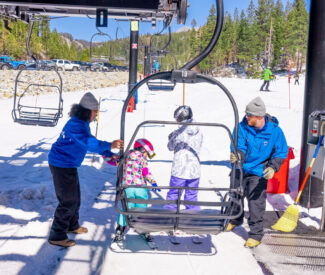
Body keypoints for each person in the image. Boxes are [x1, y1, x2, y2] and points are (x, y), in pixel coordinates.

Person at [48, 92, 123, 247]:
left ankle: (72, 225)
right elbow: (89, 142)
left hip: (68, 164)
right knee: (68, 201)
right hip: (60, 165)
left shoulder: (81, 123)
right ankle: (57, 234)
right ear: (88, 110)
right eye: (96, 112)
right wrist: (109, 145)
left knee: (75, 198)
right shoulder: (76, 125)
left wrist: (108, 153)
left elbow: (88, 144)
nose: (96, 115)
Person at [227, 97, 288, 248]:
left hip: (258, 171)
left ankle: (255, 234)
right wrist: (238, 154)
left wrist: (273, 167)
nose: (246, 117)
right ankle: (234, 219)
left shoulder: (275, 131)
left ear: (259, 116)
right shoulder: (241, 127)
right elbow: (238, 145)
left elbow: (281, 152)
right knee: (235, 194)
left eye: (249, 115)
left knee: (256, 203)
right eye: (246, 114)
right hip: (240, 167)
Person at [112, 138, 160, 243]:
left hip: (127, 187)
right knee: (141, 208)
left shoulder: (126, 155)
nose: (147, 156)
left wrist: (106, 156)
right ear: (143, 150)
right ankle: (143, 230)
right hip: (140, 188)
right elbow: (146, 173)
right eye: (148, 154)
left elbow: (115, 162)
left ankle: (120, 230)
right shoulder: (142, 159)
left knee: (126, 209)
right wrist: (153, 182)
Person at [165, 106, 203, 210]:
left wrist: (171, 137)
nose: (176, 121)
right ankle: (192, 217)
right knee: (191, 197)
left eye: (177, 119)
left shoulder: (179, 133)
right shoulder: (198, 130)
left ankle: (170, 216)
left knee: (173, 195)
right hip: (194, 169)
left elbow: (170, 146)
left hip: (180, 169)